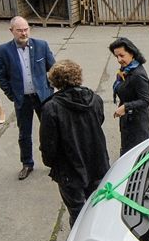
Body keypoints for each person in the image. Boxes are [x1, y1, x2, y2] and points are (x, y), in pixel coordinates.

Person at [39, 60, 111, 226]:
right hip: (97, 163)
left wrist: (51, 163)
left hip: (69, 169)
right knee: (98, 207)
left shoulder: (51, 108)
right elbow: (99, 121)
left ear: (55, 82)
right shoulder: (95, 99)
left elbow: (48, 143)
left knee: (77, 212)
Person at [0, 16, 55, 180]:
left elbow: (54, 69)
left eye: (26, 29)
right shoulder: (4, 50)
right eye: (19, 30)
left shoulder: (41, 45)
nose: (23, 33)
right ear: (11, 31)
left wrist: (49, 88)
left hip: (43, 97)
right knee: (24, 133)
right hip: (23, 99)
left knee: (51, 131)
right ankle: (27, 164)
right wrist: (12, 94)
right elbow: (0, 76)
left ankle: (56, 162)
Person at [108, 37, 149, 155]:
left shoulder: (138, 75)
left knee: (136, 152)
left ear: (131, 53)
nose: (119, 59)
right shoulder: (127, 69)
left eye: (122, 55)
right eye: (116, 56)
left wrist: (126, 107)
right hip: (128, 118)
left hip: (136, 121)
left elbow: (145, 100)